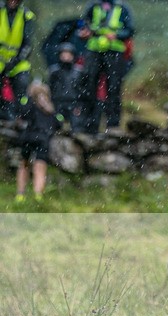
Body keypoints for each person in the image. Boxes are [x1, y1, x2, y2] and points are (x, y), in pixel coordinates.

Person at [77, 0, 134, 133]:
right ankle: (90, 125)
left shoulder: (122, 8)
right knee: (89, 86)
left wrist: (117, 35)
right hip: (94, 51)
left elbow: (130, 30)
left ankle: (113, 125)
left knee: (113, 88)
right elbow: (82, 24)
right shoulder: (93, 6)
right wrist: (84, 31)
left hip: (114, 52)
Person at [14, 82, 63, 202]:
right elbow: (22, 113)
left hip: (41, 139)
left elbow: (59, 122)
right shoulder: (30, 105)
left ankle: (37, 194)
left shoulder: (50, 109)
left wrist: (49, 109)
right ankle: (21, 194)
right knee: (25, 165)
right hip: (30, 138)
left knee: (39, 166)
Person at [0, 0, 35, 121]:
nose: (12, 2)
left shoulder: (27, 15)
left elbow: (28, 44)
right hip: (0, 59)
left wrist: (17, 60)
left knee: (22, 84)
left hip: (18, 60)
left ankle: (19, 117)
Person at [48, 42, 82, 130]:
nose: (65, 56)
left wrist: (79, 105)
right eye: (63, 53)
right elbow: (50, 88)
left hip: (74, 104)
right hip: (58, 104)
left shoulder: (79, 72)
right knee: (54, 126)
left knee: (77, 128)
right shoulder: (54, 72)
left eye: (68, 53)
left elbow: (82, 91)